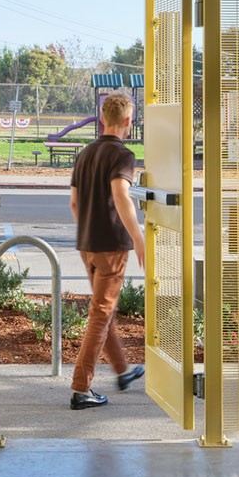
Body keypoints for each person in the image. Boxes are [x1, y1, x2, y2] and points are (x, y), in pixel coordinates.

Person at [66, 92, 144, 409]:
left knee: (104, 309)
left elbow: (74, 202)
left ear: (102, 119)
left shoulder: (85, 153)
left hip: (87, 244)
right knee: (100, 314)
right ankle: (81, 388)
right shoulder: (122, 155)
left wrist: (88, 228)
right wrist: (138, 237)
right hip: (111, 245)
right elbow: (121, 195)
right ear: (128, 121)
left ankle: (122, 371)